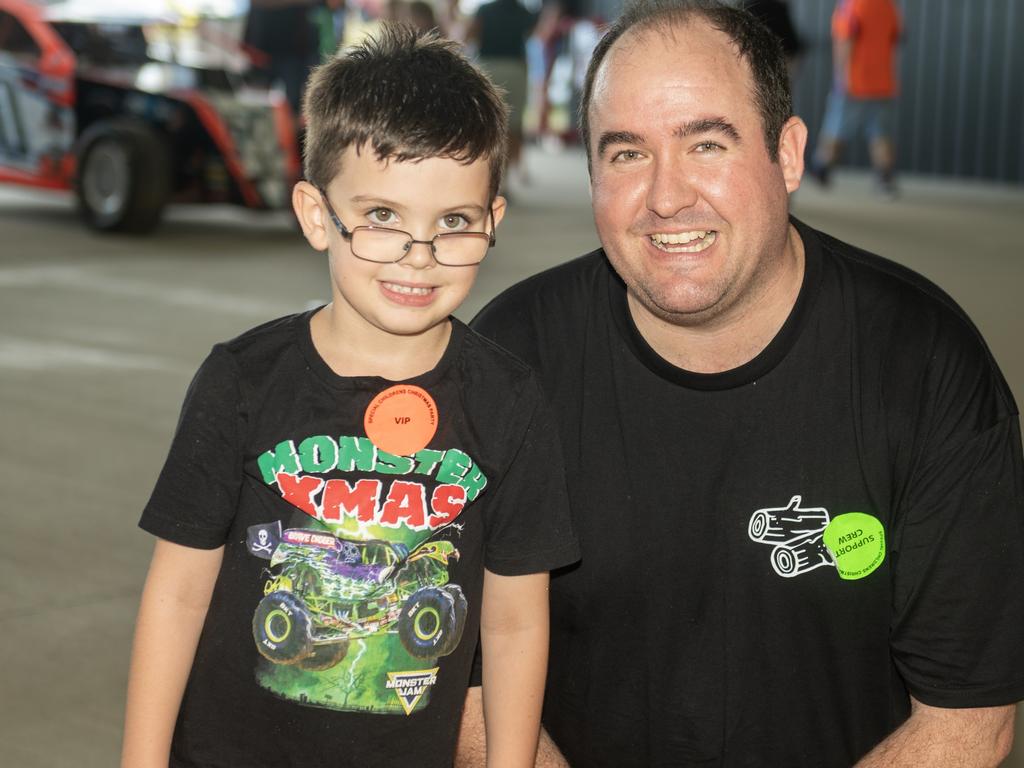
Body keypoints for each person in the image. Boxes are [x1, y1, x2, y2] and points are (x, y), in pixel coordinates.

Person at [456, 0, 1024, 766]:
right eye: (626, 154)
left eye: (707, 144)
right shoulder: (510, 359)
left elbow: (966, 718)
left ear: (787, 153)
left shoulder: (924, 363)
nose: (666, 197)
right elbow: (461, 684)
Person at [121, 24, 579, 768]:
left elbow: (517, 623)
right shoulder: (243, 381)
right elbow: (176, 597)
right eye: (382, 218)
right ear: (315, 215)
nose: (418, 257)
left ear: (492, 223)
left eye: (453, 223)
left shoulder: (509, 401)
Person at [811, 0, 902, 195]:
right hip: (883, 82)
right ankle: (885, 179)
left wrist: (840, 77)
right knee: (880, 133)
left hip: (854, 82)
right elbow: (894, 37)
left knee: (835, 128)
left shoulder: (852, 5)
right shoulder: (887, 5)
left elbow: (845, 40)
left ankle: (821, 170)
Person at [468, 0, 538, 185]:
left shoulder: (483, 10)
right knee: (512, 126)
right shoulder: (524, 12)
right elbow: (532, 34)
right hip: (515, 67)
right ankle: (503, 180)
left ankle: (484, 177)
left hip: (489, 66)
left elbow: (470, 35)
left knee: (488, 123)